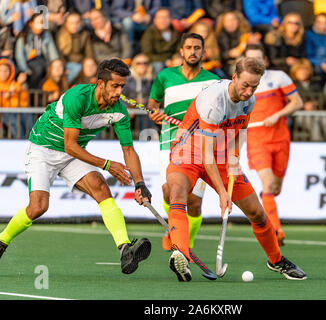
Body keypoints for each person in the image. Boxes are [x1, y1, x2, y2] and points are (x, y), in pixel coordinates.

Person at [0, 58, 153, 275]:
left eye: (122, 86)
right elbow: (70, 145)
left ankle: (125, 249)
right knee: (38, 207)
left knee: (101, 188)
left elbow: (128, 150)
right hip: (43, 148)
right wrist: (107, 164)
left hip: (72, 153)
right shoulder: (76, 97)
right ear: (100, 84)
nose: (119, 92)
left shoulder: (118, 111)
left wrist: (140, 183)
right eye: (115, 86)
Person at [164, 56, 307, 281]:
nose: (249, 91)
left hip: (220, 154)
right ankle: (180, 253)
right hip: (189, 152)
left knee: (257, 213)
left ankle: (276, 260)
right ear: (234, 77)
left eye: (254, 87)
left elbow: (239, 131)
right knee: (178, 193)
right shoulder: (214, 102)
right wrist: (222, 193)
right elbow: (205, 154)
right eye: (245, 85)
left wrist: (234, 158)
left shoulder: (248, 100)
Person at [147, 33, 220, 251]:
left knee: (194, 202)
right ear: (181, 51)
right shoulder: (165, 76)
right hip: (169, 141)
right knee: (169, 192)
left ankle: (185, 244)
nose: (193, 51)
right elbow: (153, 102)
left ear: (204, 52)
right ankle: (176, 235)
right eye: (188, 47)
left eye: (197, 48)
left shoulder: (214, 82)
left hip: (198, 146)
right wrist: (154, 112)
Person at [244, 44, 303, 245]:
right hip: (256, 139)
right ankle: (276, 230)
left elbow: (297, 102)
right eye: (250, 60)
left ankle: (268, 210)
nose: (254, 63)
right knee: (268, 183)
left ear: (265, 61)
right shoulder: (241, 84)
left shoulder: (279, 78)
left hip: (280, 138)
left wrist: (277, 114)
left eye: (258, 59)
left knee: (275, 188)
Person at [0, 58, 30, 138]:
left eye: (6, 70)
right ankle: (21, 142)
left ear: (10, 72)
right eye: (1, 70)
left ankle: (33, 143)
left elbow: (24, 101)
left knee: (29, 119)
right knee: (15, 124)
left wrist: (16, 87)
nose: (3, 73)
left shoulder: (16, 85)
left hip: (19, 110)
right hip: (5, 112)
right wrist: (8, 95)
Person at [15, 13, 60, 89]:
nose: (41, 26)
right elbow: (19, 56)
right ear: (31, 24)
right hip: (29, 63)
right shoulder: (23, 36)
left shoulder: (47, 35)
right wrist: (25, 70)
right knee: (38, 68)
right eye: (38, 22)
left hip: (43, 60)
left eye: (42, 22)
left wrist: (56, 65)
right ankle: (33, 91)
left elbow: (52, 52)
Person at [56, 11, 94, 85]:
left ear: (80, 23)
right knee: (75, 68)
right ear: (66, 24)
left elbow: (89, 52)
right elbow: (59, 54)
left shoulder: (84, 34)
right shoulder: (61, 35)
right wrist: (63, 67)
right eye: (71, 23)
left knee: (88, 68)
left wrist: (88, 63)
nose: (75, 25)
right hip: (65, 63)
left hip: (80, 62)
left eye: (77, 22)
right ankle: (65, 91)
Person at [140, 8, 181, 75]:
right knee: (158, 65)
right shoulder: (149, 33)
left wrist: (176, 59)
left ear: (171, 19)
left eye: (166, 17)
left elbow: (179, 50)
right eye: (160, 18)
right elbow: (147, 54)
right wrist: (166, 61)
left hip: (173, 61)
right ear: (155, 20)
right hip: (156, 62)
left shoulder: (176, 33)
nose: (163, 20)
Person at [122, 53, 156, 131]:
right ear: (134, 65)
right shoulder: (127, 80)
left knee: (147, 115)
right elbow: (121, 96)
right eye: (138, 63)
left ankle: (147, 140)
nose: (142, 65)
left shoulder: (152, 80)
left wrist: (145, 100)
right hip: (129, 109)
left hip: (146, 109)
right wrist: (128, 106)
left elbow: (156, 97)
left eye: (145, 63)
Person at [215, 10, 254, 77]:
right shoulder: (218, 36)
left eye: (233, 20)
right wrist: (229, 54)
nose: (231, 23)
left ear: (238, 21)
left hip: (245, 61)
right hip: (226, 65)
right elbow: (215, 56)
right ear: (223, 23)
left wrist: (253, 44)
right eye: (227, 21)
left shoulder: (245, 33)